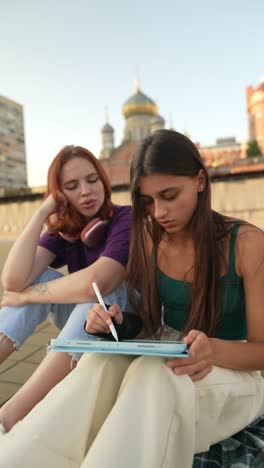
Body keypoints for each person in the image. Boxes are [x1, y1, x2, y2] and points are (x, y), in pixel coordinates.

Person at [1, 129, 264, 468]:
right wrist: (117, 324)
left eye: (170, 195)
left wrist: (214, 349)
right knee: (99, 362)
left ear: (200, 180)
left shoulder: (246, 244)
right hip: (175, 361)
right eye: (148, 202)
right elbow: (151, 327)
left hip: (234, 376)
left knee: (155, 376)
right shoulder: (151, 240)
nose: (159, 212)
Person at [0, 144, 132, 432]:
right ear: (60, 194)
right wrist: (42, 212)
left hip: (127, 328)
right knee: (40, 279)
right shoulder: (65, 230)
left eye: (92, 180)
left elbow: (98, 282)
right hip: (86, 327)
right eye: (72, 186)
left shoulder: (125, 218)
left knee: (94, 296)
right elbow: (12, 282)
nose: (85, 191)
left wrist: (24, 294)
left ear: (103, 180)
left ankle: (9, 418)